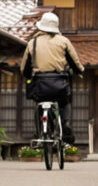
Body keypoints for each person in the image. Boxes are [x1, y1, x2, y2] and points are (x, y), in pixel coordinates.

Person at [20, 12, 84, 144]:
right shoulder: (64, 41)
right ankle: (65, 123)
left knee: (39, 105)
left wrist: (28, 76)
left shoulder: (33, 43)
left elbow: (24, 68)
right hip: (59, 83)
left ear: (41, 26)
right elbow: (74, 61)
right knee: (65, 101)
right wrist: (80, 71)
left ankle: (39, 131)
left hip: (40, 84)